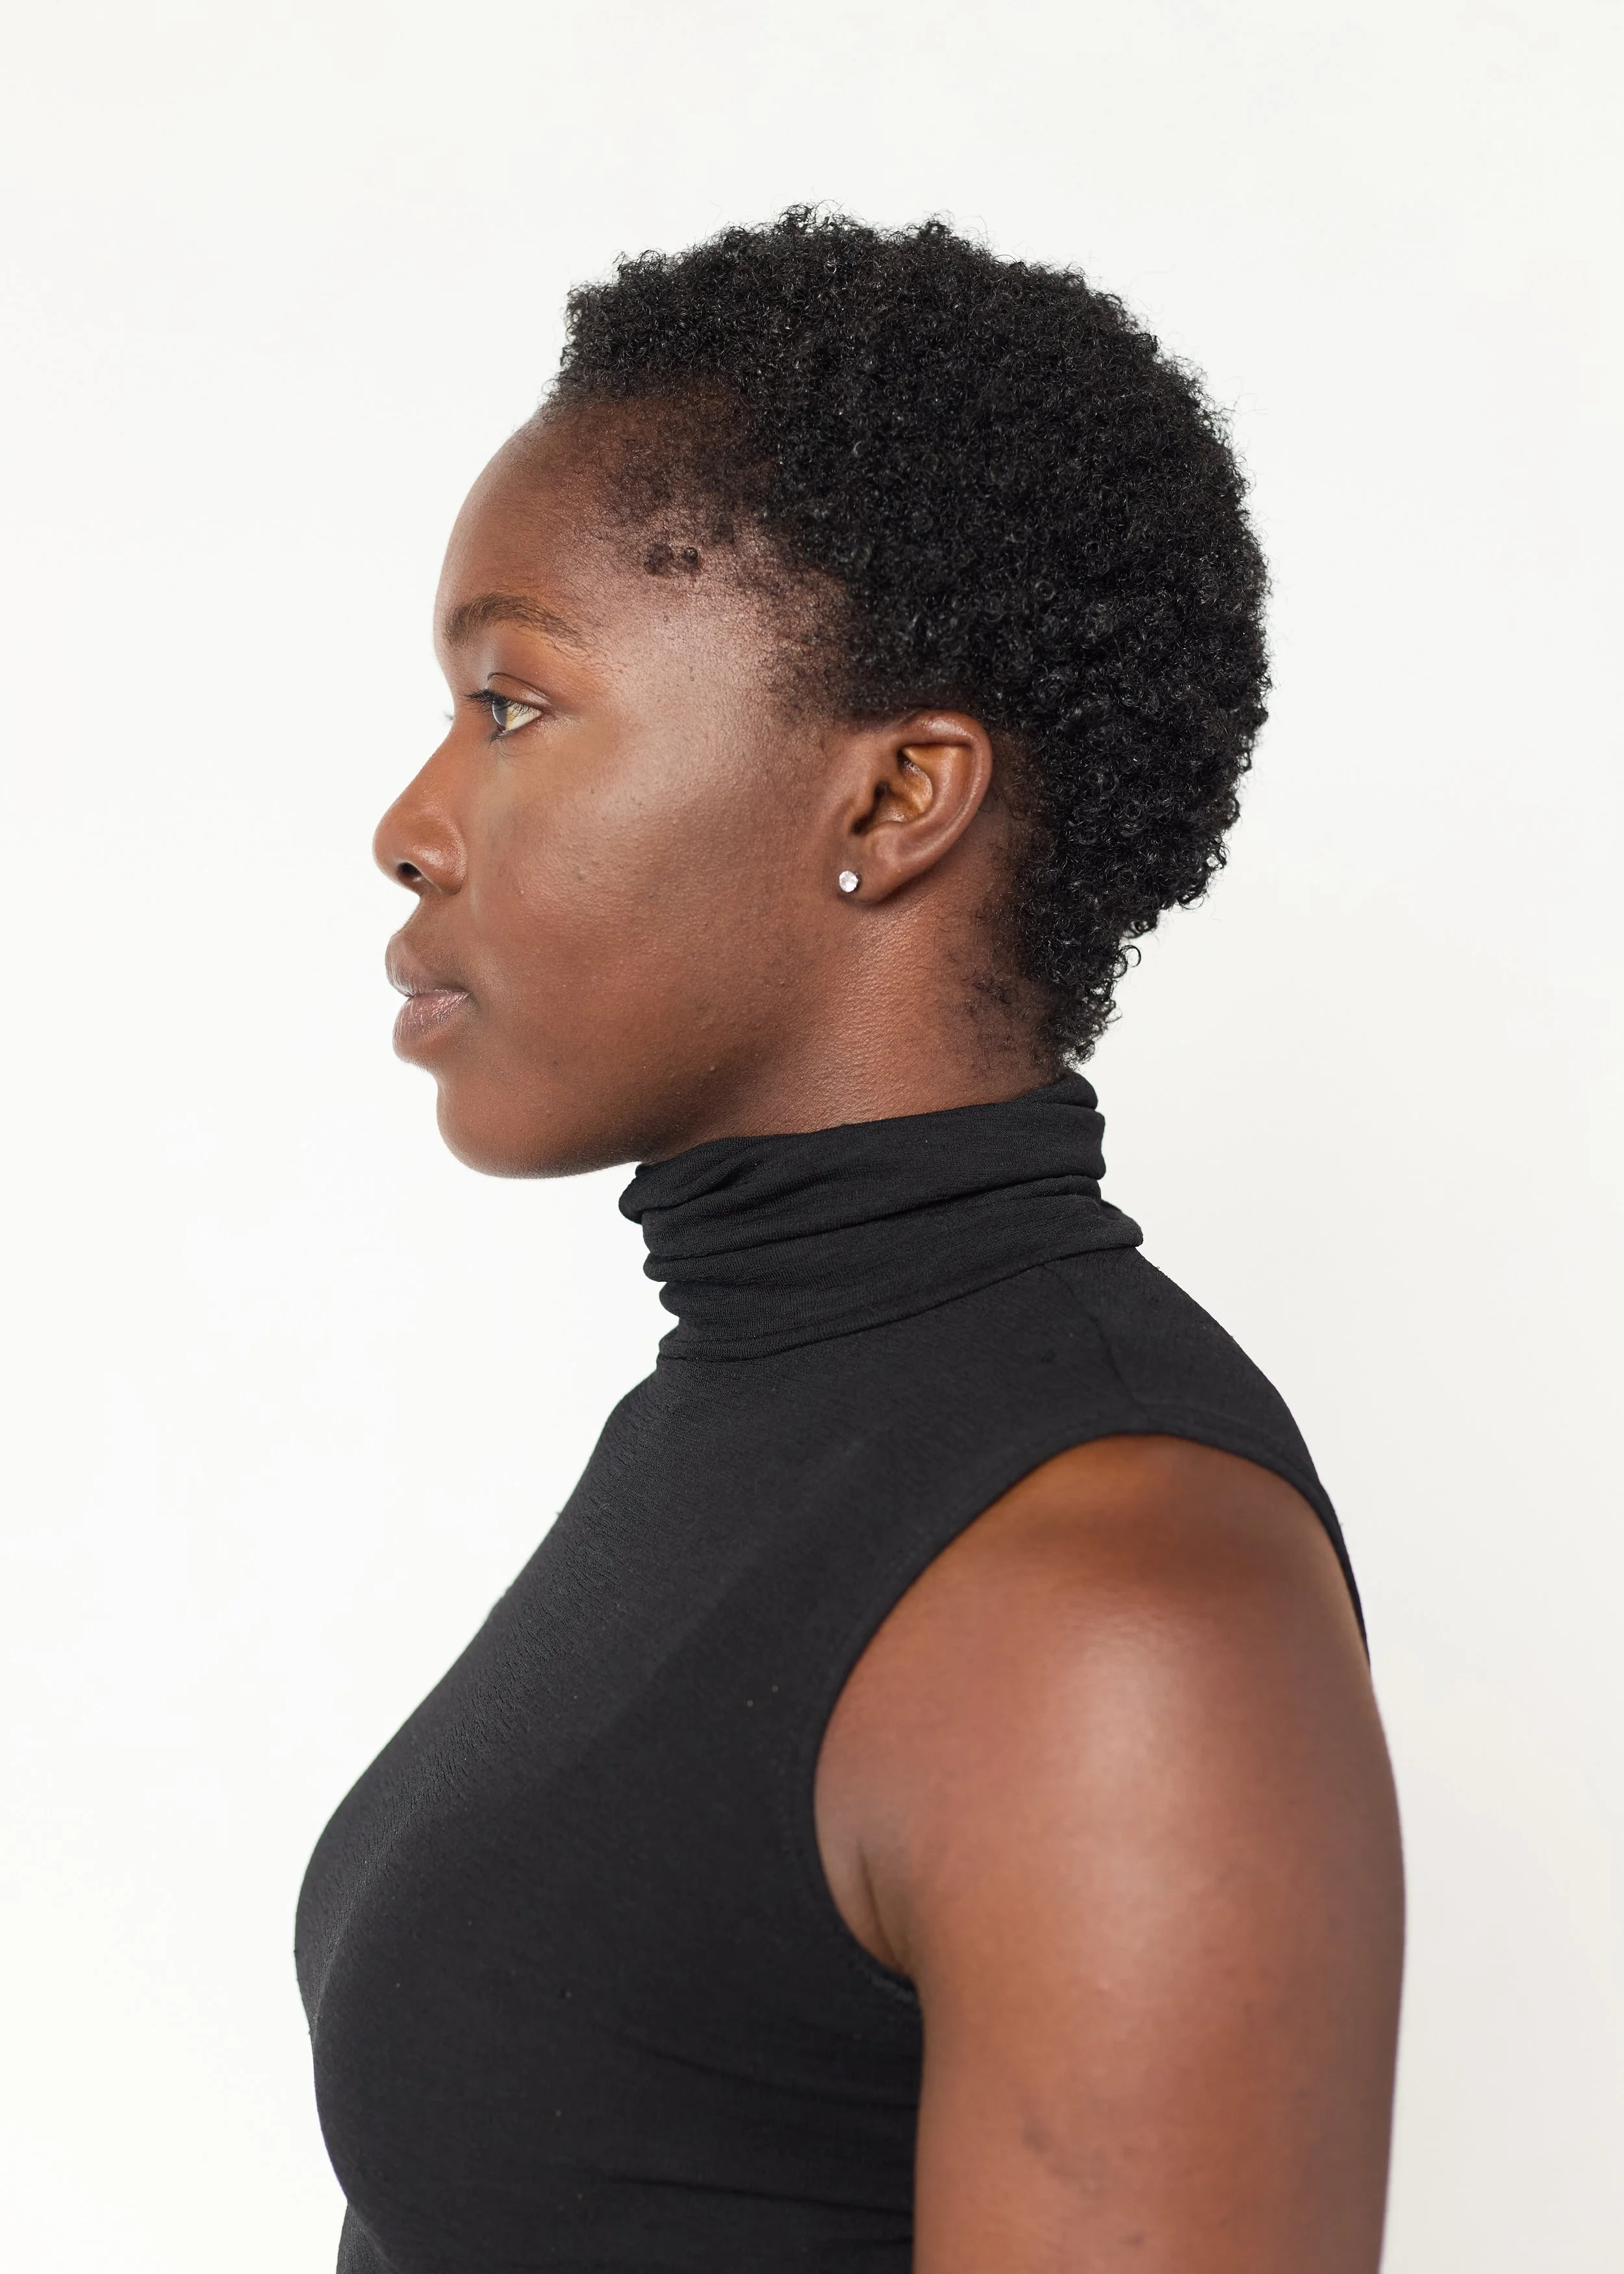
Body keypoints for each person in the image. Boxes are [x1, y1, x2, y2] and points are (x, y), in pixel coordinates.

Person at [296, 210, 1404, 2274]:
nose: (414, 816)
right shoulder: (763, 1401)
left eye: (513, 702)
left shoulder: (1118, 1611)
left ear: (898, 796)